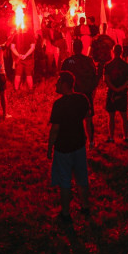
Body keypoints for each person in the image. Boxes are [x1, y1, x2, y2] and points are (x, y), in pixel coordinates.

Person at [47, 71, 91, 223]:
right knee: (81, 177)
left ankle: (65, 213)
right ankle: (85, 206)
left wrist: (49, 148)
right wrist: (91, 140)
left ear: (64, 85)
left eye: (58, 82)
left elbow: (55, 129)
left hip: (63, 148)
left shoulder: (59, 105)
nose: (56, 84)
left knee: (65, 180)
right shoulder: (82, 99)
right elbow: (88, 119)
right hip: (79, 145)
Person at [60, 40, 98, 148]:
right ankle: (91, 141)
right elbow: (94, 77)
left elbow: (62, 79)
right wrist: (92, 92)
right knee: (88, 118)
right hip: (86, 94)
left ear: (73, 48)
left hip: (73, 94)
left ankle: (73, 141)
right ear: (82, 48)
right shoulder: (89, 61)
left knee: (72, 119)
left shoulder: (68, 61)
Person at [104, 45, 128, 143]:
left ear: (113, 51)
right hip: (122, 93)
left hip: (112, 93)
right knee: (124, 116)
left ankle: (111, 137)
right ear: (121, 52)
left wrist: (114, 88)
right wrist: (121, 88)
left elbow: (106, 79)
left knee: (111, 116)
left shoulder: (108, 65)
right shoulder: (126, 65)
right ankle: (126, 136)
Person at [10, 28, 35, 93]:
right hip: (28, 59)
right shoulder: (30, 35)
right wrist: (26, 55)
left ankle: (16, 90)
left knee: (17, 75)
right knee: (29, 75)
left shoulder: (16, 36)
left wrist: (18, 55)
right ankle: (31, 90)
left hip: (19, 59)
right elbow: (32, 47)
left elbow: (12, 47)